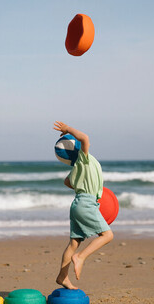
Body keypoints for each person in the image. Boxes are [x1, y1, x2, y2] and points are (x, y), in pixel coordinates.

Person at [53, 121, 114, 290]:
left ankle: (62, 277)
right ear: (77, 148)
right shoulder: (83, 158)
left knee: (73, 243)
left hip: (78, 203)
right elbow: (85, 137)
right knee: (107, 235)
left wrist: (80, 186)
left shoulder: (76, 168)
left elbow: (67, 182)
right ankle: (80, 257)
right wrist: (67, 129)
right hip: (87, 203)